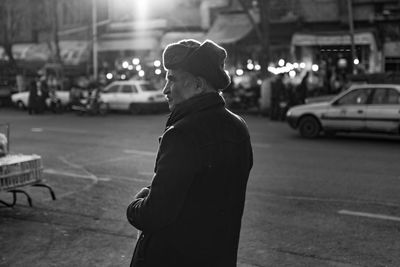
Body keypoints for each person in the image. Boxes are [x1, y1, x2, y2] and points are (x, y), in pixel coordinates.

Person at [126, 39, 253, 267]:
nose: (165, 90)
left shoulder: (182, 134)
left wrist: (135, 205)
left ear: (198, 85)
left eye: (172, 79)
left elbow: (155, 214)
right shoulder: (238, 126)